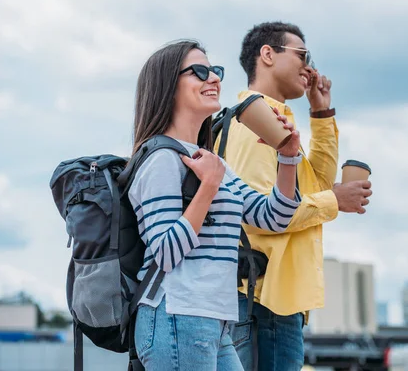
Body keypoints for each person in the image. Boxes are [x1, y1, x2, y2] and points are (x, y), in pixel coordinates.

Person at [129, 40, 302, 371]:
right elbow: (165, 251)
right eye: (200, 71)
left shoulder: (212, 162)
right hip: (177, 316)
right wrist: (208, 185)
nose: (214, 79)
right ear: (167, 84)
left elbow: (275, 217)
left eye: (215, 71)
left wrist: (289, 156)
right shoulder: (162, 160)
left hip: (215, 322)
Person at [217, 22, 373, 370]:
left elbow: (316, 183)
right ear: (268, 54)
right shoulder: (253, 122)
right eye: (302, 55)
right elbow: (259, 215)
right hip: (260, 301)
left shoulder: (275, 120)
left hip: (276, 300)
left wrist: (321, 113)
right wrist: (335, 201)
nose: (308, 66)